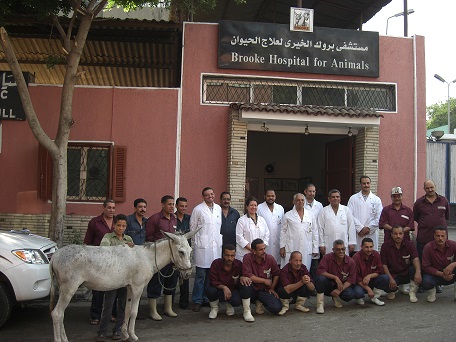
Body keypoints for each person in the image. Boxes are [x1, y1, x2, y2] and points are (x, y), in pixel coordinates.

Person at [96, 214, 134, 342]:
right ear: (114, 225)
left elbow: (133, 257)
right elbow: (104, 251)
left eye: (123, 226)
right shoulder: (108, 237)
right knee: (108, 304)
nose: (121, 228)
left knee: (122, 306)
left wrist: (130, 247)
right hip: (111, 278)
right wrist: (124, 248)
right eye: (119, 225)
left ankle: (118, 330)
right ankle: (102, 331)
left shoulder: (128, 239)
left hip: (125, 279)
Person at [145, 195, 179, 320]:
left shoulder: (174, 219)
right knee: (156, 282)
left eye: (173, 204)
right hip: (158, 258)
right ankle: (153, 311)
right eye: (169, 204)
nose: (172, 207)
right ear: (163, 204)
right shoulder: (155, 219)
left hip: (171, 258)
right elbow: (148, 238)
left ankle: (168, 308)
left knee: (171, 282)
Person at [190, 187, 223, 312]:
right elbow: (192, 228)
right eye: (207, 195)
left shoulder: (218, 208)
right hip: (202, 247)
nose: (210, 196)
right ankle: (197, 300)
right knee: (200, 276)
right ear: (203, 196)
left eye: (212, 194)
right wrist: (196, 244)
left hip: (215, 246)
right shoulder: (198, 209)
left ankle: (206, 298)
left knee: (210, 276)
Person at [84, 199, 116, 326]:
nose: (111, 210)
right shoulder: (94, 222)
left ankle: (112, 314)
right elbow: (88, 242)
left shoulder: (117, 222)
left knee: (113, 288)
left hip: (114, 261)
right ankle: (95, 315)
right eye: (109, 208)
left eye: (113, 208)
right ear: (104, 208)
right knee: (97, 289)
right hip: (98, 261)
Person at [314, 239, 362, 314]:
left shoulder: (351, 262)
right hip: (328, 284)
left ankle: (336, 296)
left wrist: (339, 290)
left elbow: (351, 280)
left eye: (343, 249)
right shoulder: (327, 257)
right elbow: (320, 271)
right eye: (338, 249)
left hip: (341, 286)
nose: (341, 251)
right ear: (333, 250)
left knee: (349, 295)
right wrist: (335, 277)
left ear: (345, 249)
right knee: (320, 279)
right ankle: (320, 304)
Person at [206, 244, 252, 320]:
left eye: (232, 256)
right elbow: (213, 281)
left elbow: (244, 276)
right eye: (227, 255)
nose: (229, 258)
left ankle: (244, 310)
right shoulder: (216, 263)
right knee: (209, 290)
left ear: (235, 255)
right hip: (219, 290)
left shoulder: (239, 264)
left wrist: (242, 277)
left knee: (237, 300)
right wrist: (224, 287)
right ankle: (214, 308)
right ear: (223, 255)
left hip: (233, 291)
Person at [240, 238, 282, 316]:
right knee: (245, 283)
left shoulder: (270, 258)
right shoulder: (247, 257)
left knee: (277, 308)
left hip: (265, 290)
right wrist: (264, 281)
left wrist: (272, 288)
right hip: (252, 289)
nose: (264, 251)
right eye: (261, 250)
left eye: (264, 248)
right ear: (254, 251)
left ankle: (260, 302)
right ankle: (247, 311)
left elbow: (276, 274)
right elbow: (248, 275)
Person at [380, 225, 421, 302]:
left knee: (415, 268)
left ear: (403, 234)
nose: (398, 236)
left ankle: (412, 293)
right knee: (385, 282)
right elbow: (384, 264)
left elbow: (415, 258)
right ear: (391, 234)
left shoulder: (409, 244)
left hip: (406, 273)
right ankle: (393, 290)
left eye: (400, 233)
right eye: (395, 234)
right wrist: (391, 279)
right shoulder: (385, 246)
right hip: (393, 275)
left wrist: (418, 272)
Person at [280, 193, 318, 270]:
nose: (300, 202)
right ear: (293, 202)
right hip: (292, 246)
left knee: (305, 269)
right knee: (290, 269)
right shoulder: (288, 215)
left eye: (302, 200)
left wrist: (315, 248)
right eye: (298, 200)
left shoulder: (310, 215)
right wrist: (282, 247)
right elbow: (283, 232)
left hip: (306, 246)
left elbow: (315, 231)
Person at [413, 180, 450, 261]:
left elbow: (446, 216)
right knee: (423, 261)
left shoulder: (444, 200)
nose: (430, 190)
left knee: (441, 261)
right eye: (427, 188)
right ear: (424, 189)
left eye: (431, 187)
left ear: (435, 187)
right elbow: (416, 217)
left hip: (441, 239)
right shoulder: (419, 203)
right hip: (424, 238)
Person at [347, 176, 383, 251]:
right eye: (364, 183)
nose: (366, 185)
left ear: (370, 184)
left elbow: (379, 217)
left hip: (371, 233)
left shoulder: (376, 200)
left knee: (371, 254)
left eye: (368, 183)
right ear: (360, 184)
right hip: (358, 233)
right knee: (358, 256)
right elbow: (349, 215)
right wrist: (360, 228)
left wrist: (369, 228)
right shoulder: (353, 199)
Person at [421, 226, 456, 302]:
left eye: (443, 236)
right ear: (434, 236)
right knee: (426, 282)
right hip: (435, 275)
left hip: (451, 274)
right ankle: (432, 291)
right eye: (438, 236)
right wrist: (442, 274)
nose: (440, 238)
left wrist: (453, 264)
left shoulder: (453, 245)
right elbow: (425, 266)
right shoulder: (428, 247)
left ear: (446, 236)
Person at [352, 238, 390, 306]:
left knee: (385, 278)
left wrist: (369, 276)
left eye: (371, 247)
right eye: (366, 247)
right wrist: (368, 289)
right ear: (361, 247)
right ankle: (359, 298)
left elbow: (380, 270)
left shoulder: (376, 254)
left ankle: (374, 298)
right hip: (360, 283)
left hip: (372, 280)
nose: (369, 249)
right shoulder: (356, 257)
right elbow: (355, 277)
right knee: (358, 293)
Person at [318, 189, 356, 256]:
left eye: (337, 197)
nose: (335, 198)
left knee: (343, 261)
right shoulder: (324, 211)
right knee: (330, 261)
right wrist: (321, 244)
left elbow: (351, 227)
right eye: (333, 197)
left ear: (340, 198)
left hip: (343, 240)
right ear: (329, 199)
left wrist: (352, 242)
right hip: (329, 243)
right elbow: (320, 228)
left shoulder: (346, 210)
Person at [276, 251, 315, 315]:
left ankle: (299, 305)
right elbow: (287, 289)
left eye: (300, 261)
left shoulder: (303, 268)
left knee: (307, 285)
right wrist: (302, 282)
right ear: (290, 261)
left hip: (296, 292)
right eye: (296, 261)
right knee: (282, 290)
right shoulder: (284, 270)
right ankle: (285, 306)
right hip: (286, 294)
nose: (298, 263)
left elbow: (312, 288)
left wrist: (308, 282)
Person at [236, 197, 270, 261]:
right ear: (247, 207)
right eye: (251, 205)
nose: (253, 207)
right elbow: (239, 237)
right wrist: (252, 249)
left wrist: (261, 248)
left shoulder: (262, 220)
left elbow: (267, 234)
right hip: (246, 252)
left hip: (259, 253)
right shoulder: (241, 220)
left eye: (255, 205)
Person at [257, 189, 284, 265]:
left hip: (278, 241)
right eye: (268, 196)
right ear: (264, 197)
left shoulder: (280, 208)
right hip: (265, 240)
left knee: (277, 264)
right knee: (265, 263)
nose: (270, 198)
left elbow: (283, 226)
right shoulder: (259, 208)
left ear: (275, 197)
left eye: (272, 196)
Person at [303, 184, 324, 278]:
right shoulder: (300, 203)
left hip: (316, 236)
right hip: (303, 236)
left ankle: (314, 286)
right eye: (310, 191)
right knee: (304, 263)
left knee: (315, 265)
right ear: (305, 192)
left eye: (313, 191)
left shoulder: (319, 206)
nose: (312, 193)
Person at [175, 197, 191, 309]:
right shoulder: (172, 218)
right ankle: (168, 303)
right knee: (172, 278)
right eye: (181, 206)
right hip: (175, 253)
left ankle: (184, 301)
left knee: (185, 278)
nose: (183, 208)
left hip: (186, 253)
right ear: (176, 206)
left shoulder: (189, 219)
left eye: (185, 206)